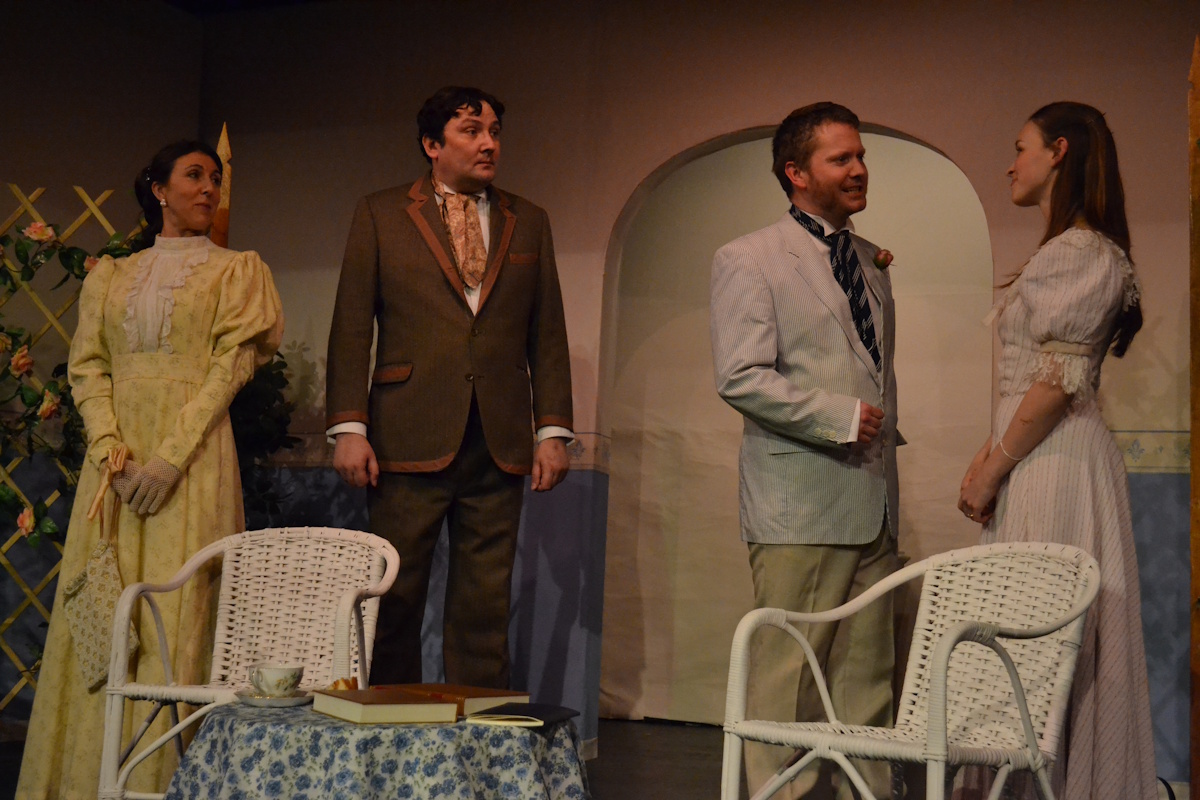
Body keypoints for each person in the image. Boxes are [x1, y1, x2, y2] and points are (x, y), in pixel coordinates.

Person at [16, 141, 283, 799]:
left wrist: (168, 459)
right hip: (115, 468)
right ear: (159, 189)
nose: (209, 188)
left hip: (193, 463)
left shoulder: (237, 271)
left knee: (179, 616)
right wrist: (109, 447)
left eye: (215, 178)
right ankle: (85, 782)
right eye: (194, 176)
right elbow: (88, 366)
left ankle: (170, 781)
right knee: (105, 618)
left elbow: (230, 370)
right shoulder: (113, 275)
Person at [325, 86, 573, 689]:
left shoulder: (528, 220)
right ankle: (392, 722)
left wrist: (553, 430)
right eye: (471, 131)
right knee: (394, 595)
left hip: (498, 437)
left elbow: (547, 332)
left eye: (494, 132)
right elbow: (352, 325)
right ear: (432, 144)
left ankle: (478, 726)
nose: (489, 144)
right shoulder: (381, 213)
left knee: (485, 603)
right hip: (406, 432)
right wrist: (349, 427)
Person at [957, 101, 1156, 799]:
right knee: (1025, 633)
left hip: (1053, 460)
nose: (1011, 164)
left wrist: (994, 467)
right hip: (1038, 452)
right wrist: (988, 453)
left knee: (1038, 636)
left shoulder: (1080, 252)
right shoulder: (1071, 250)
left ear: (1059, 151)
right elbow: (1031, 379)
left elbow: (1052, 385)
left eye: (1021, 147)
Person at [709, 102, 901, 800]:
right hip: (800, 500)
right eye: (840, 158)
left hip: (871, 497)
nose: (858, 169)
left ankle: (866, 793)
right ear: (796, 172)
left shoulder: (869, 259)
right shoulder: (748, 257)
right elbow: (740, 376)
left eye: (860, 156)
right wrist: (839, 418)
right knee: (785, 677)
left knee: (867, 679)